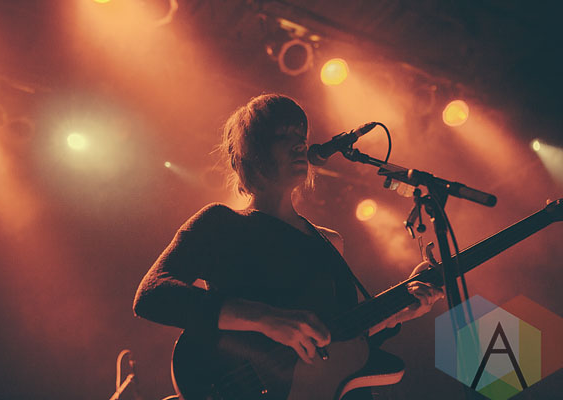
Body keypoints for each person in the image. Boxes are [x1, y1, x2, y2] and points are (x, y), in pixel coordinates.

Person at [133, 94, 443, 399]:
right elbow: (152, 293)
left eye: (301, 135)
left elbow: (337, 342)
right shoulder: (221, 223)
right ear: (252, 153)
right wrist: (265, 319)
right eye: (283, 135)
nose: (299, 145)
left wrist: (401, 310)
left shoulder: (330, 241)